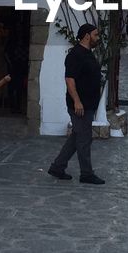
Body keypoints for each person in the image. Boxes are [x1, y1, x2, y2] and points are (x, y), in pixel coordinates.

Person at [48, 23, 106, 185]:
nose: (97, 38)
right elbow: (69, 79)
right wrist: (77, 101)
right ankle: (86, 173)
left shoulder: (88, 53)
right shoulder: (76, 54)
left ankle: (57, 167)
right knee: (84, 138)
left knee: (77, 136)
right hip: (80, 105)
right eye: (95, 35)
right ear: (87, 35)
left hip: (88, 104)